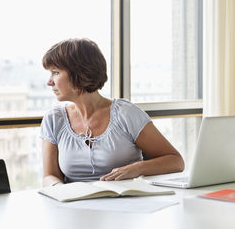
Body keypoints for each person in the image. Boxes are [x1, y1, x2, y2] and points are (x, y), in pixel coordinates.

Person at [40, 38, 184, 187]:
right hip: (73, 205)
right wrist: (60, 190)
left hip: (125, 203)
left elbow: (175, 161)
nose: (49, 82)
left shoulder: (126, 114)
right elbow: (49, 176)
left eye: (55, 73)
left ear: (79, 72)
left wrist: (136, 168)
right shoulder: (54, 119)